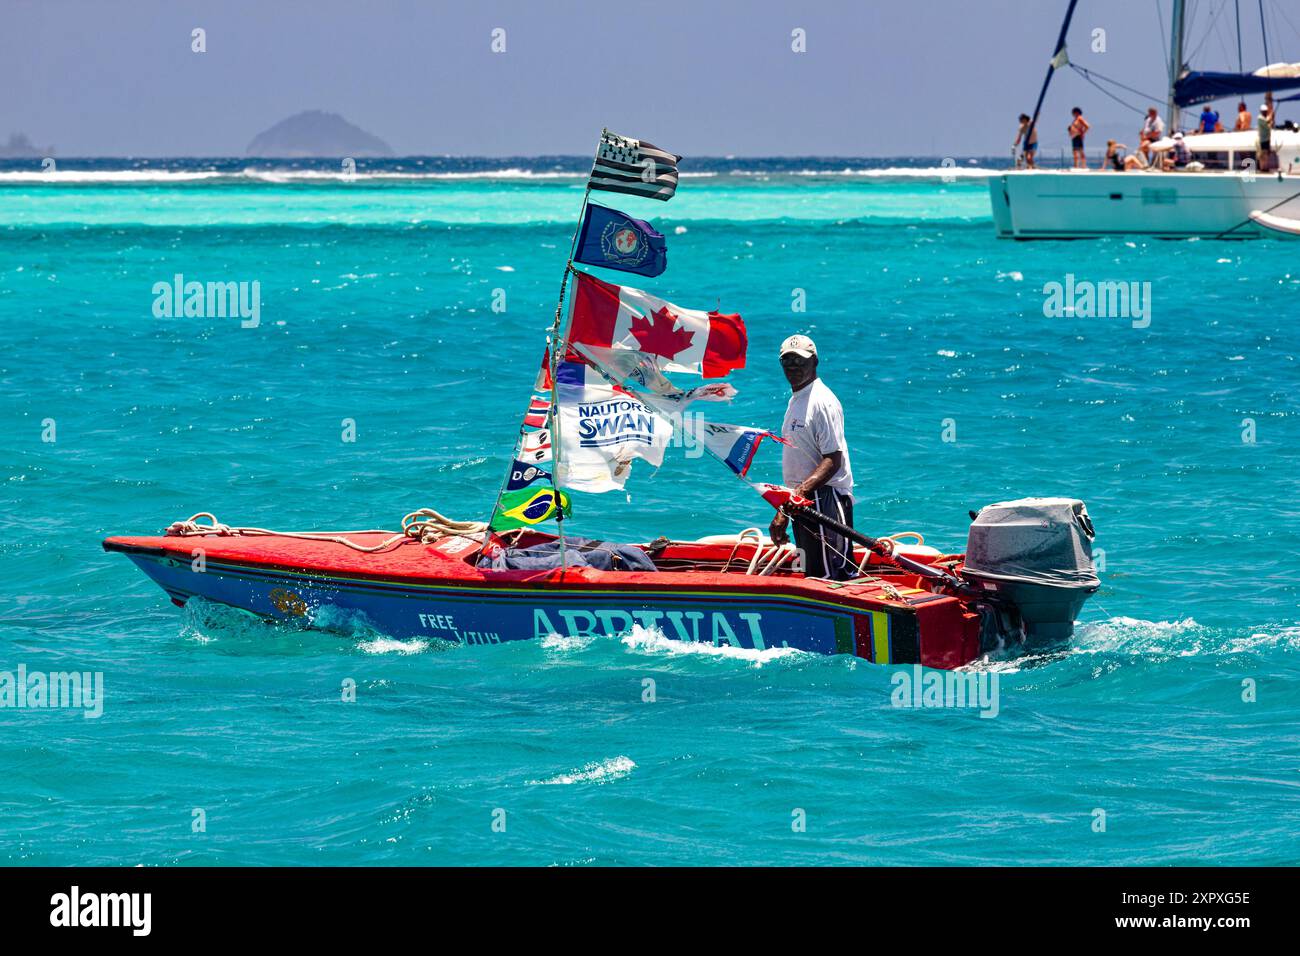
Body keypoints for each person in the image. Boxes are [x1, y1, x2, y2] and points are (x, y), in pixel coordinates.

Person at [769, 335, 856, 581]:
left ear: (815, 361)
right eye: (787, 361)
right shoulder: (797, 398)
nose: (793, 366)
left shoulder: (822, 401)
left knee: (832, 577)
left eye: (800, 360)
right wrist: (788, 505)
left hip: (825, 498)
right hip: (803, 499)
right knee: (813, 573)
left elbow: (832, 459)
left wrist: (795, 497)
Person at [1258, 104, 1274, 172]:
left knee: (1267, 153)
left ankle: (1266, 167)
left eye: (1265, 111)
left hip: (1267, 138)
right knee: (1264, 153)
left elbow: (1268, 123)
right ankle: (1263, 168)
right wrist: (1270, 118)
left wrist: (1270, 118)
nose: (1265, 112)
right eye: (1264, 111)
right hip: (1263, 139)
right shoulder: (1260, 118)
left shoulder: (1265, 117)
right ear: (1261, 111)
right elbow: (1267, 126)